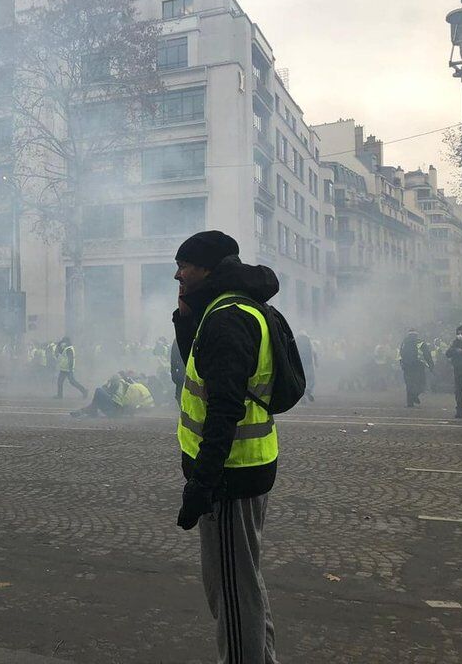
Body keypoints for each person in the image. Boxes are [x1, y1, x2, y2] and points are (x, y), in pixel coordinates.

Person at [171, 230, 280, 664]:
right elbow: (203, 367)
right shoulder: (228, 309)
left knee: (232, 592)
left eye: (186, 266)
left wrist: (202, 481)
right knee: (243, 583)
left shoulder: (227, 318)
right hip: (242, 467)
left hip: (229, 475)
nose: (177, 274)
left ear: (210, 269)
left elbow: (224, 407)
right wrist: (184, 319)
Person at [70, 371, 154, 418]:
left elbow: (106, 392)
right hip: (119, 410)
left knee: (98, 391)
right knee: (97, 400)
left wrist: (107, 385)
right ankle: (85, 411)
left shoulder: (120, 384)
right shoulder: (132, 386)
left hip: (115, 411)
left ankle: (87, 411)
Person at [399, 330, 434, 408]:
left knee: (409, 384)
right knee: (421, 384)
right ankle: (414, 395)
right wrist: (431, 365)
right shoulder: (420, 342)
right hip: (418, 366)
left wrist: (402, 364)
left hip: (407, 366)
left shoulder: (404, 342)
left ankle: (410, 402)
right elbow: (427, 354)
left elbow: (400, 354)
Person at [297, 331, 316, 402]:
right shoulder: (309, 341)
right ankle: (309, 390)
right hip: (309, 363)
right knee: (311, 379)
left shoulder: (296, 340)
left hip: (300, 363)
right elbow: (314, 352)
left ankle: (303, 395)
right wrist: (316, 363)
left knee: (301, 379)